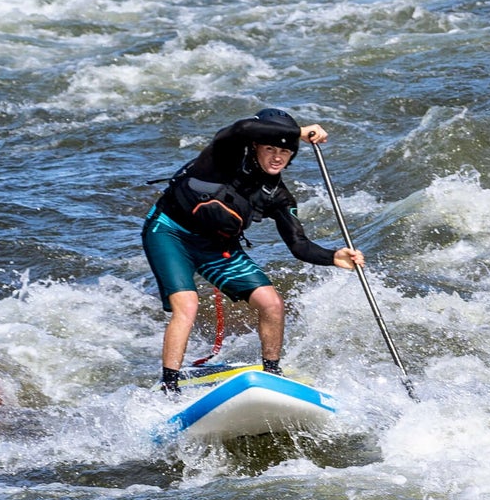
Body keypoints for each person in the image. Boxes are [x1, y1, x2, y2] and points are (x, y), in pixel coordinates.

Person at [141, 107, 364, 393]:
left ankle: (272, 372)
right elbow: (241, 129)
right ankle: (169, 387)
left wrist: (333, 256)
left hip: (218, 248)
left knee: (272, 304)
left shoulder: (278, 196)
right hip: (171, 234)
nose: (277, 157)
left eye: (285, 152)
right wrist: (297, 132)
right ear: (255, 146)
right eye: (270, 148)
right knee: (187, 304)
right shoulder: (223, 157)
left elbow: (299, 245)